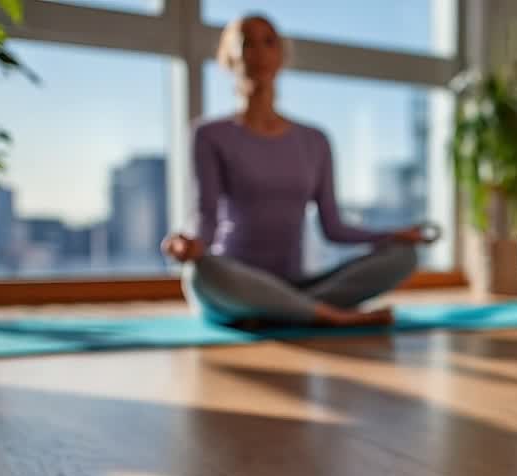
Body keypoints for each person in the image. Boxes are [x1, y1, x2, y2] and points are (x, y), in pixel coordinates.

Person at [163, 14, 428, 327]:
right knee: (200, 272)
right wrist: (189, 245)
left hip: (294, 283)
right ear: (229, 57)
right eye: (247, 43)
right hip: (233, 278)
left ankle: (284, 309)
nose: (259, 52)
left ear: (282, 56)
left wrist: (392, 235)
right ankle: (325, 315)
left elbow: (333, 227)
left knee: (404, 257)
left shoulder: (315, 140)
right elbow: (205, 218)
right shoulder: (208, 135)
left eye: (269, 42)